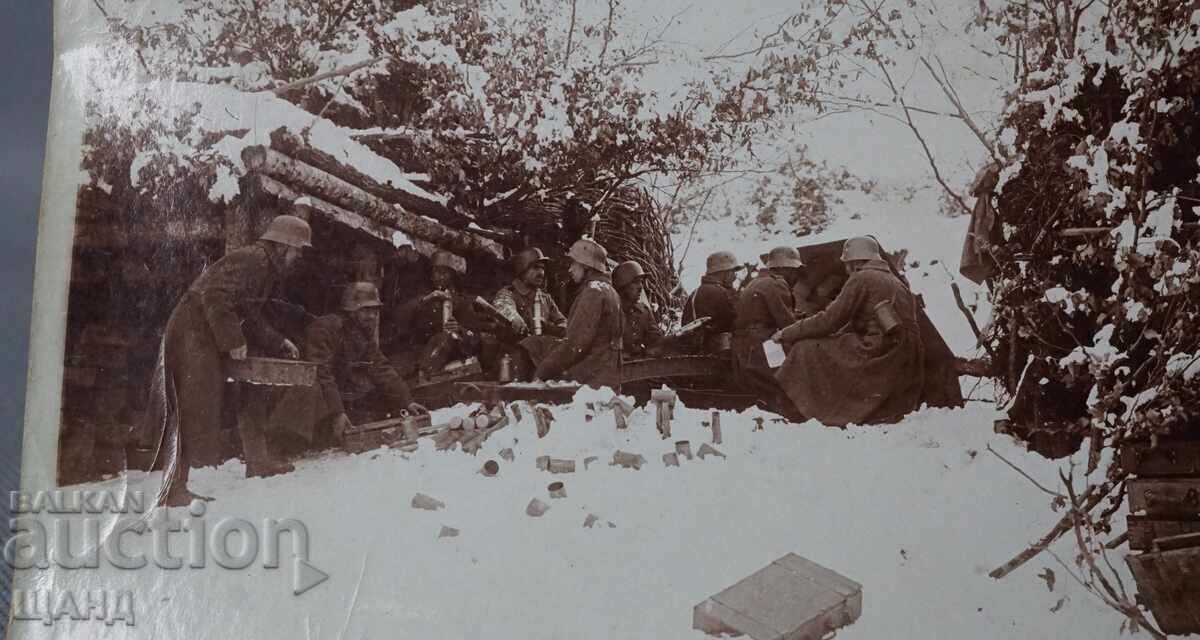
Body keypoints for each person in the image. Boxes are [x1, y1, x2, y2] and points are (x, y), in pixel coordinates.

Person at [141, 215, 310, 506]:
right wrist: (233, 341)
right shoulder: (255, 260)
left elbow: (248, 313)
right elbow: (216, 296)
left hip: (203, 328)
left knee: (230, 394)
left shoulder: (264, 265)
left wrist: (277, 340)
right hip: (193, 328)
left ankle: (256, 461)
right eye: (298, 250)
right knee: (190, 404)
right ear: (284, 245)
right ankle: (174, 489)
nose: (298, 257)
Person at [773, 236, 925, 426]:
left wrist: (786, 333)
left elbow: (828, 321)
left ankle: (793, 408)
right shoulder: (897, 282)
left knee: (806, 348)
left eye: (846, 264)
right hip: (906, 354)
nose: (846, 270)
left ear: (855, 261)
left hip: (880, 349)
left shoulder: (862, 277)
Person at [269, 282, 425, 452]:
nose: (372, 316)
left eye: (375, 311)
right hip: (308, 395)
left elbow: (381, 367)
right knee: (312, 392)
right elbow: (322, 374)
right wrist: (338, 412)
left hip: (336, 394)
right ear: (351, 310)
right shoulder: (324, 329)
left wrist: (407, 401)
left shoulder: (362, 331)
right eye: (366, 310)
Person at [387, 250, 495, 378]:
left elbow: (474, 337)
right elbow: (399, 317)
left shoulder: (460, 301)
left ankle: (423, 375)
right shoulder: (423, 298)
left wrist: (459, 329)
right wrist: (425, 300)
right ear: (431, 275)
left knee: (443, 339)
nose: (441, 277)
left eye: (445, 272)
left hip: (447, 353)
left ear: (452, 276)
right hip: (419, 352)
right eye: (437, 272)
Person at [534, 238, 623, 388]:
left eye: (574, 264)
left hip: (591, 382)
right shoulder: (610, 291)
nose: (570, 270)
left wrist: (542, 372)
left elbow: (575, 345)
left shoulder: (593, 292)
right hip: (607, 378)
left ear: (586, 266)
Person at [731, 246, 804, 417]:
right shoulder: (777, 284)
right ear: (785, 268)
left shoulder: (756, 282)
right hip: (763, 344)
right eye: (795, 271)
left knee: (768, 389)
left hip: (744, 345)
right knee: (789, 377)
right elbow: (788, 324)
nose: (796, 277)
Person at [491, 247, 567, 379]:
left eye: (542, 268)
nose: (541, 273)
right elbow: (503, 306)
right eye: (535, 268)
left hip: (541, 359)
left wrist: (552, 328)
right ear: (522, 270)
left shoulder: (545, 298)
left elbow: (564, 323)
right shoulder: (508, 293)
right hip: (514, 359)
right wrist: (515, 318)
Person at [681, 250, 742, 353]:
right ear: (723, 272)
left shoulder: (695, 293)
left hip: (696, 353)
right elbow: (737, 323)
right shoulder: (722, 293)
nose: (735, 277)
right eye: (732, 272)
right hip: (721, 353)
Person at [613, 260, 664, 358]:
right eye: (636, 282)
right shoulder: (611, 311)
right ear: (622, 286)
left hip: (640, 365)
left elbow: (656, 342)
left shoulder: (643, 312)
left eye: (641, 282)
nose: (641, 287)